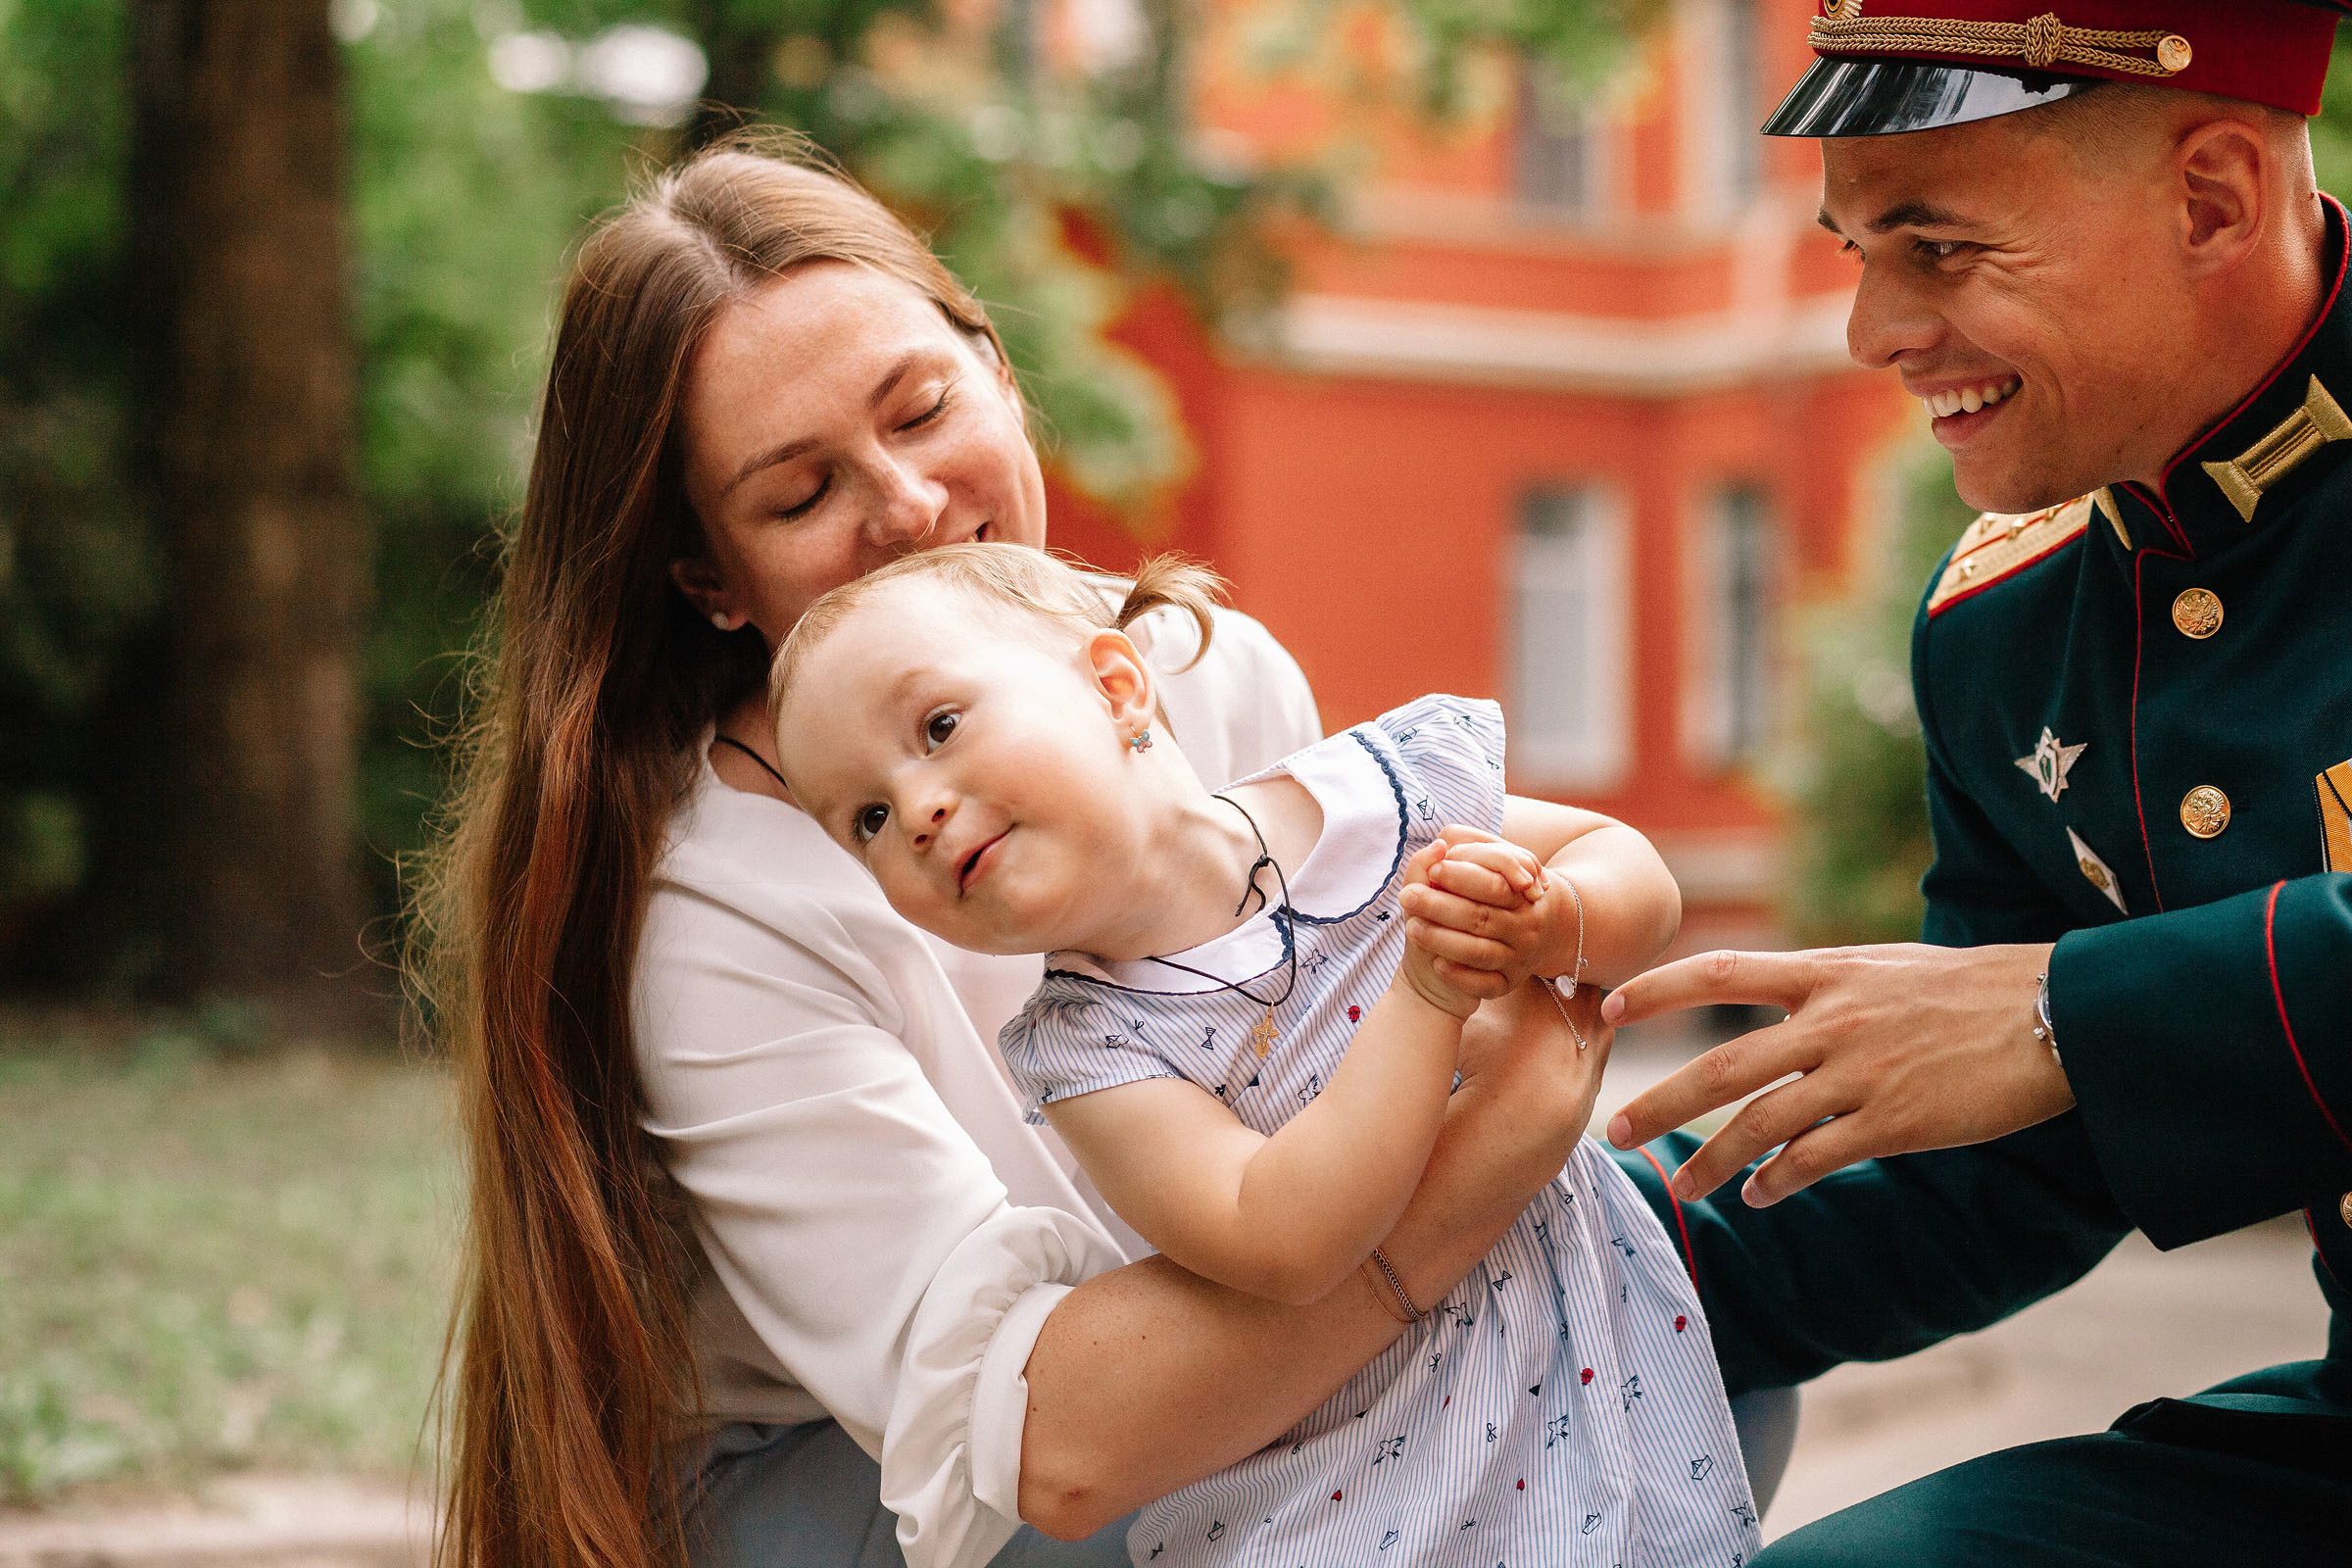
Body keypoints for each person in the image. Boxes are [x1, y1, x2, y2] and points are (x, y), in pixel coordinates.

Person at [415, 133, 1623, 1568]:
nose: (908, 506)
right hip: (889, 1480)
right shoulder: (717, 909)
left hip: (1240, 1332)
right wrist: (1476, 1184)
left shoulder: (1193, 664)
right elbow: (1046, 1449)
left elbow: (1415, 1001)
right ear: (708, 580)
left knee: (1648, 1372)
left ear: (995, 367)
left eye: (922, 410)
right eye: (797, 497)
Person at [1593, 4, 2352, 1562]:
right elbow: (2001, 1155)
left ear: (2211, 199)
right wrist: (1518, 1253)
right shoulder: (2007, 624)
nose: (1871, 330)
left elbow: (2055, 1043)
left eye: (1935, 246)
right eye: (1857, 247)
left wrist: (2068, 1009)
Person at [766, 544, 1759, 1568]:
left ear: (1114, 686)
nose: (916, 813)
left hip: (1589, 1397)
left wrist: (1555, 918)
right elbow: (1285, 1237)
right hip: (1348, 1507)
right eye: (868, 819)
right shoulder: (1090, 1049)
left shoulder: (1387, 795)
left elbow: (1632, 873)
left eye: (938, 727)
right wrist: (1424, 998)